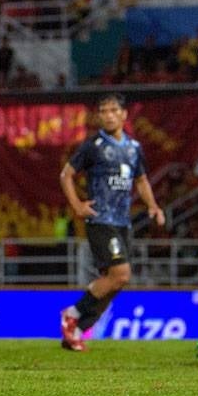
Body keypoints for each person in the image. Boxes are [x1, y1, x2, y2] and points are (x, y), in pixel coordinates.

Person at [58, 93, 165, 351]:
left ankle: (78, 332)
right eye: (103, 111)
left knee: (116, 282)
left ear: (124, 115)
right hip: (100, 219)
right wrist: (77, 206)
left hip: (122, 222)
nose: (108, 115)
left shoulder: (133, 148)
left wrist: (152, 206)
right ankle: (72, 314)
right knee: (121, 274)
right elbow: (66, 175)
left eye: (113, 110)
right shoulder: (93, 145)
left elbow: (140, 180)